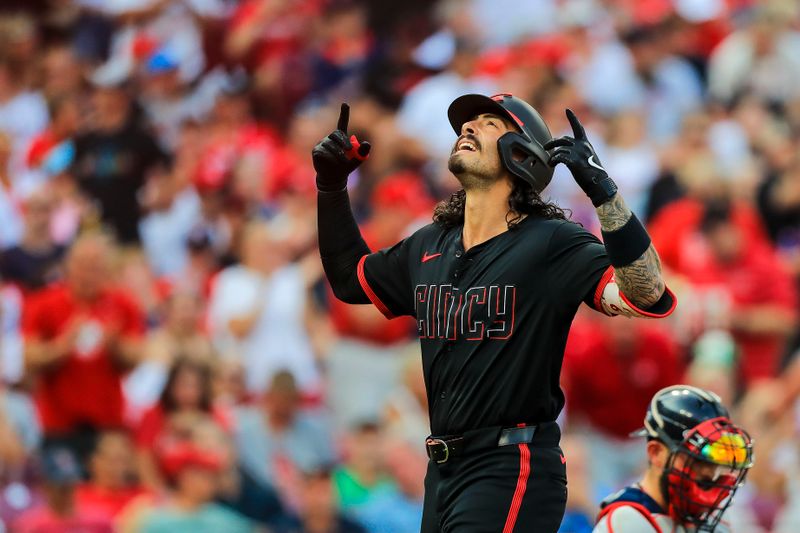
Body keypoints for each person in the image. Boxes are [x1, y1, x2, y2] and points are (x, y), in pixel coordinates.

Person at [313, 93, 676, 532]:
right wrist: (331, 187)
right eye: (467, 123)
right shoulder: (430, 244)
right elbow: (351, 281)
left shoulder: (551, 242)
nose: (468, 127)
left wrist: (603, 190)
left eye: (489, 123)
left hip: (512, 465)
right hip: (442, 470)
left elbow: (647, 292)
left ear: (523, 155)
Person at [593, 385, 754, 533]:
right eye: (697, 460)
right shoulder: (627, 521)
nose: (709, 474)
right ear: (656, 453)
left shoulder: (717, 520)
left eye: (713, 461)